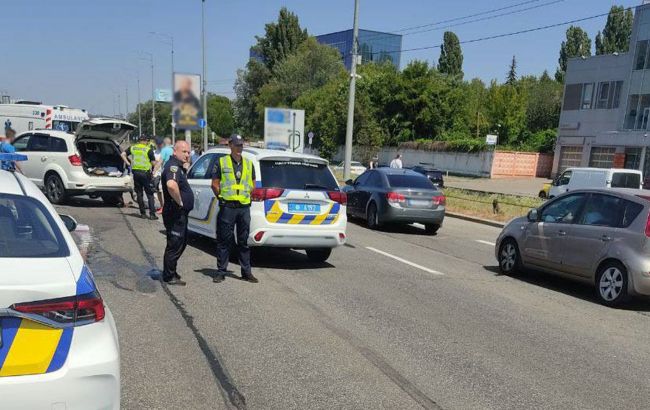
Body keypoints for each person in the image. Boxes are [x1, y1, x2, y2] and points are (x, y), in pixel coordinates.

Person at [211, 134, 258, 283]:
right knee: (224, 240)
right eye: (236, 145)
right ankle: (221, 271)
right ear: (230, 145)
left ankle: (246, 272)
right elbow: (215, 184)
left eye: (241, 145)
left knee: (243, 241)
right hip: (228, 207)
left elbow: (252, 183)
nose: (239, 148)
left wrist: (245, 195)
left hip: (243, 207)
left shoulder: (249, 164)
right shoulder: (221, 162)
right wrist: (222, 198)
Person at [161, 141, 194, 286]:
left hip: (179, 214)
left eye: (188, 152)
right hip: (175, 213)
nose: (187, 155)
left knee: (181, 242)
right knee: (174, 244)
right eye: (184, 152)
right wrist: (180, 202)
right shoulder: (173, 167)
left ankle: (171, 271)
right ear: (175, 151)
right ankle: (169, 275)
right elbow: (171, 185)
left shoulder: (179, 167)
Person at [121, 136, 158, 220]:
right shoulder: (148, 149)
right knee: (150, 194)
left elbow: (122, 154)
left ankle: (143, 214)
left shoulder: (133, 147)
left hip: (136, 173)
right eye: (147, 141)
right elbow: (153, 163)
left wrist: (128, 163)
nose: (147, 142)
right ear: (144, 141)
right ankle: (152, 214)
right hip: (145, 173)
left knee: (139, 193)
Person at [153, 138, 165, 213]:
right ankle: (161, 206)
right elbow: (152, 162)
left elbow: (161, 162)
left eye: (160, 144)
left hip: (163, 173)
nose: (159, 145)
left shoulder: (164, 152)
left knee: (162, 191)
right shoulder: (154, 152)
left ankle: (164, 207)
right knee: (158, 190)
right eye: (158, 144)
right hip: (156, 174)